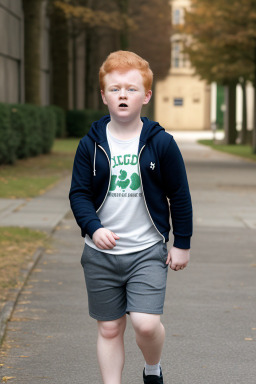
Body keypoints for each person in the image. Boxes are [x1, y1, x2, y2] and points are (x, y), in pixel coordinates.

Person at [69, 50, 193, 384]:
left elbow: (179, 195)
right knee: (110, 328)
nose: (123, 94)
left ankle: (152, 368)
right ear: (104, 96)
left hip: (147, 251)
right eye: (115, 88)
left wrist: (182, 243)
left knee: (146, 324)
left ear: (147, 96)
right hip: (101, 253)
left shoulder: (161, 143)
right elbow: (78, 194)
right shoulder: (90, 145)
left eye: (132, 88)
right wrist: (93, 229)